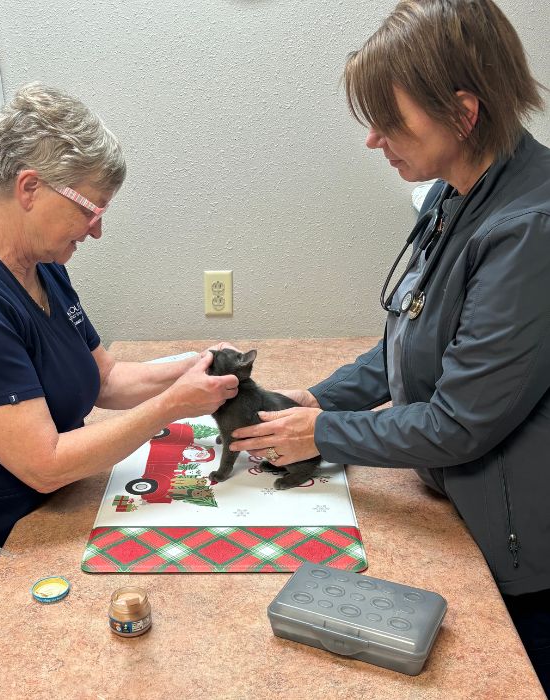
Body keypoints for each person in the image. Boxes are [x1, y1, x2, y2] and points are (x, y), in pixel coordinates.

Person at [0, 82, 239, 684]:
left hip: (30, 518)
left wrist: (199, 362)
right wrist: (176, 404)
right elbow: (45, 462)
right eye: (90, 209)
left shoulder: (42, 265)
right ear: (30, 188)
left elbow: (106, 380)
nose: (95, 231)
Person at [230, 0, 550, 692]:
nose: (374, 141)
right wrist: (320, 398)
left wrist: (322, 433)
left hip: (518, 555)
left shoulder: (532, 229)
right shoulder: (456, 192)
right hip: (448, 507)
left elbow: (461, 420)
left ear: (463, 114)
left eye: (390, 121)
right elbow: (412, 331)